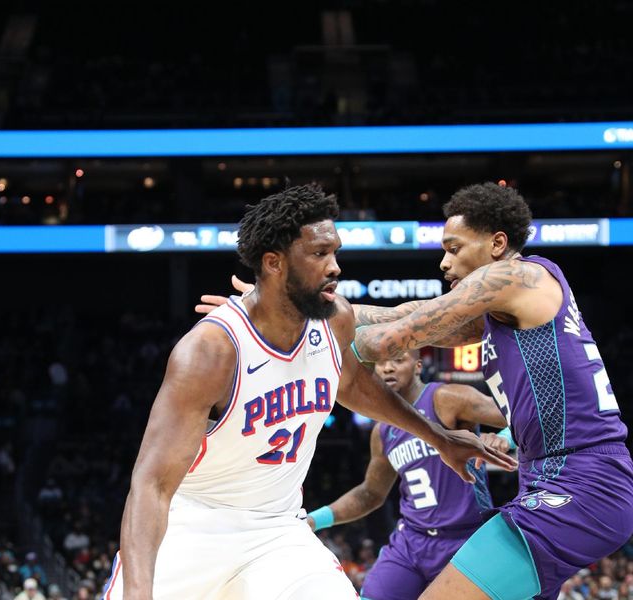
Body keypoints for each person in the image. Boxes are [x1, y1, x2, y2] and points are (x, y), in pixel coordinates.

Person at [106, 183, 514, 600]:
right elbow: (152, 485)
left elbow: (354, 385)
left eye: (334, 251)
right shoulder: (210, 352)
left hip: (276, 528)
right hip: (193, 527)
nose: (335, 266)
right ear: (274, 263)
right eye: (320, 254)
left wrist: (440, 438)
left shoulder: (334, 319)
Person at [350, 183, 633, 600]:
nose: (444, 262)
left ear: (498, 243)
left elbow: (391, 337)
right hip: (555, 478)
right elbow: (393, 313)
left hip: (580, 481)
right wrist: (292, 306)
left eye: (454, 248)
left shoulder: (514, 276)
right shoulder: (500, 309)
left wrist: (317, 343)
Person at [305, 350, 509, 600]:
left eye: (398, 360)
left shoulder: (446, 398)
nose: (387, 368)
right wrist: (314, 520)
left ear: (417, 365)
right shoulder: (382, 431)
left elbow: (517, 415)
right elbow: (370, 493)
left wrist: (504, 438)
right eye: (381, 362)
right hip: (411, 539)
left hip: (464, 539)